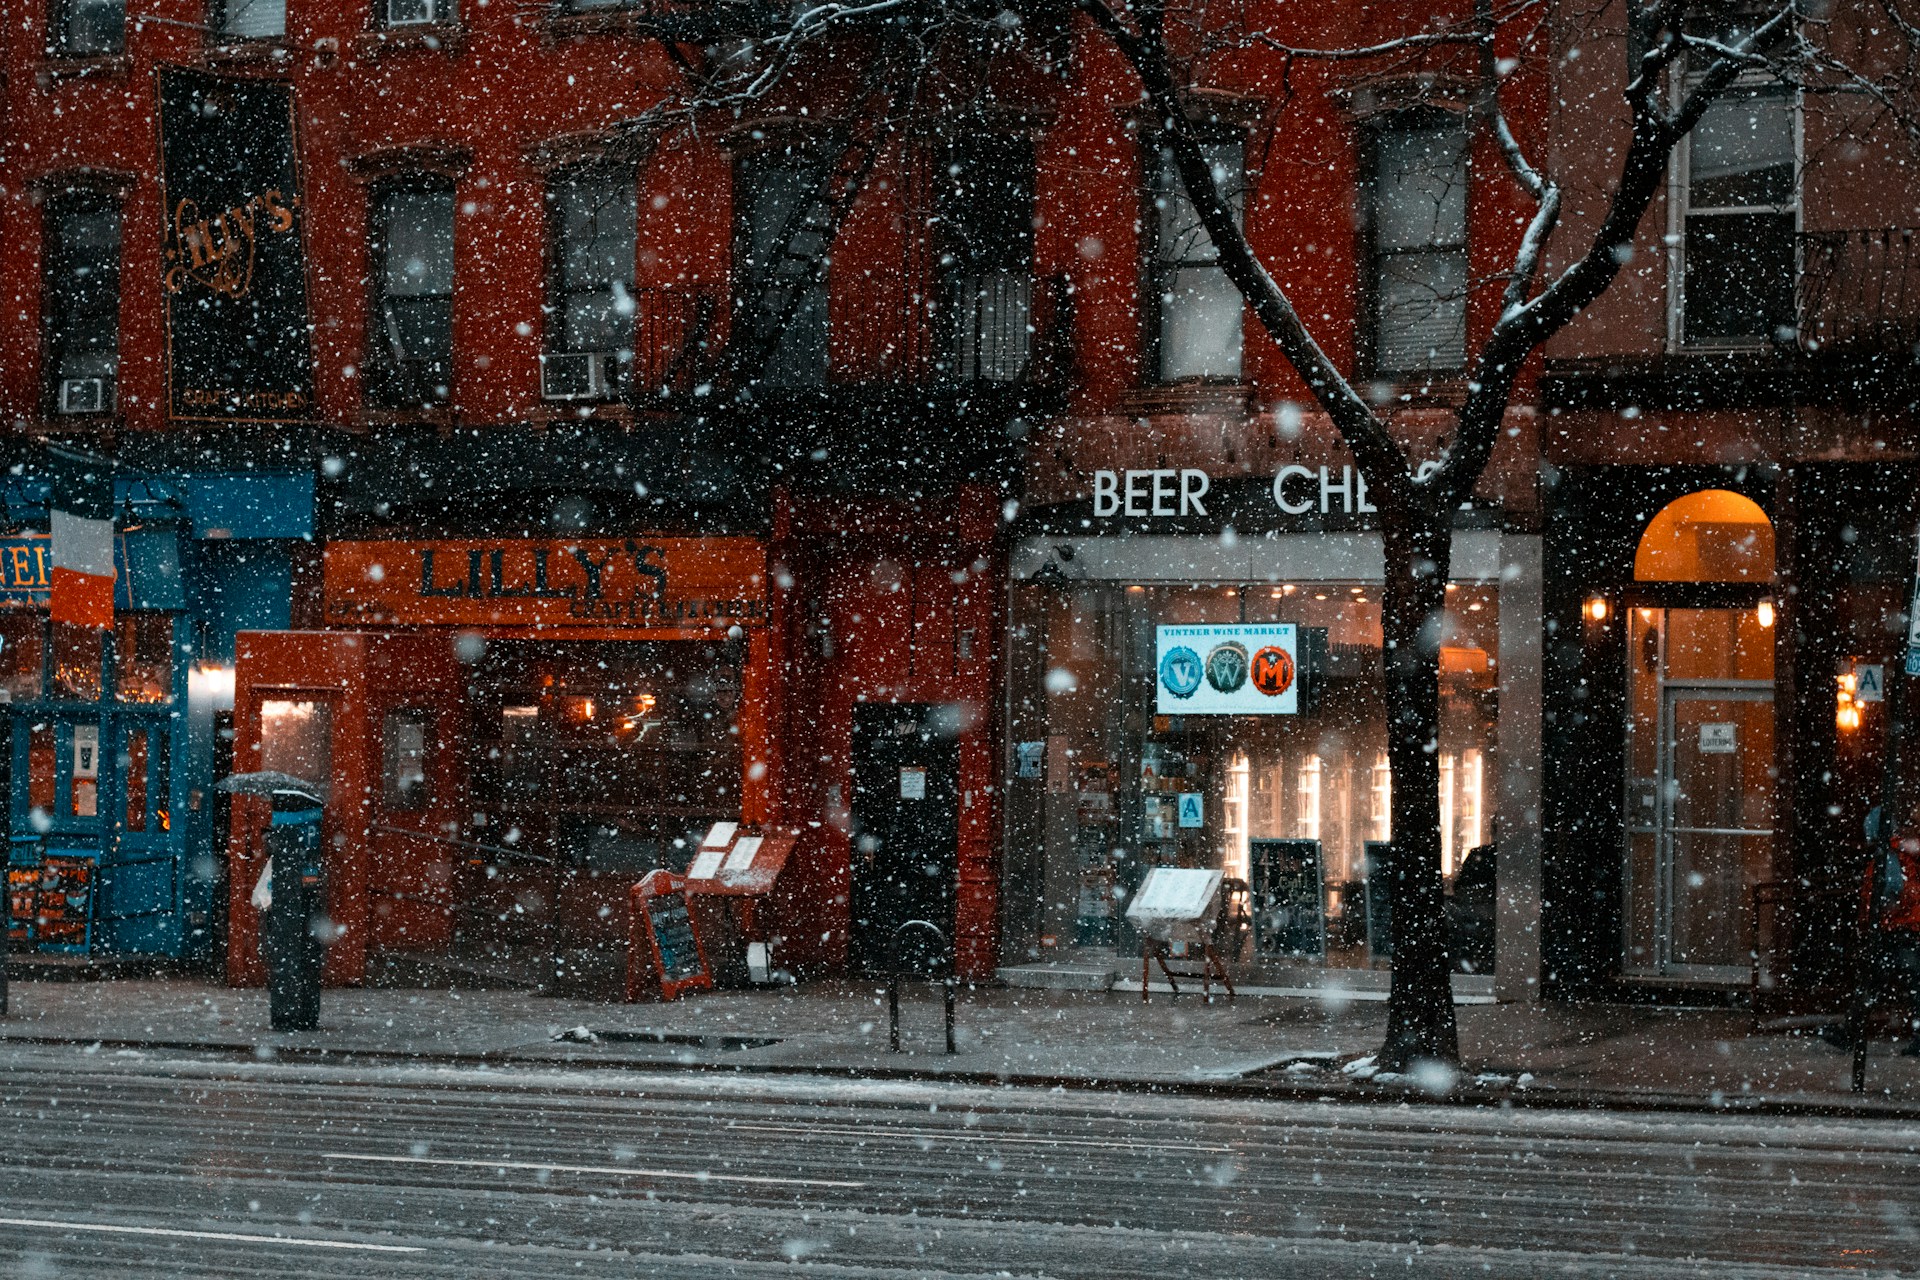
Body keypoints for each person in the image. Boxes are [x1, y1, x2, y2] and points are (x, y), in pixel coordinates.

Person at [1859, 802, 1920, 1055]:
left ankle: (1851, 1030)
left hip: (1899, 929)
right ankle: (1851, 1029)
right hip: (1906, 928)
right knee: (1909, 982)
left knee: (1875, 980)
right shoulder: (1900, 853)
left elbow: (1895, 894)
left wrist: (1882, 913)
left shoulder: (1888, 858)